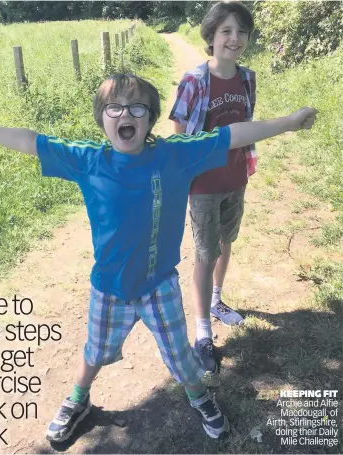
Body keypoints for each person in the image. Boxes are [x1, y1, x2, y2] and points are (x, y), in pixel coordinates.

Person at [0, 73, 316, 442]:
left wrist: (287, 123)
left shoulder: (176, 155)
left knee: (180, 356)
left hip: (160, 286)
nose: (126, 114)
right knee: (95, 351)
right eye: (115, 107)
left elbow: (232, 135)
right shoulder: (88, 160)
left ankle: (199, 395)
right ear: (103, 118)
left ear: (150, 117)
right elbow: (31, 141)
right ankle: (78, 400)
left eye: (137, 107)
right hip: (109, 288)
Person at [169, 1, 257, 374]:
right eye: (226, 31)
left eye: (241, 32)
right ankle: (202, 329)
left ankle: (218, 301)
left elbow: (246, 124)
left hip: (235, 179)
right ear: (211, 36)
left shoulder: (248, 78)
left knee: (225, 243)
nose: (234, 39)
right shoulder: (195, 80)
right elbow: (178, 131)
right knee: (205, 255)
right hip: (203, 186)